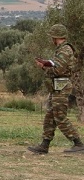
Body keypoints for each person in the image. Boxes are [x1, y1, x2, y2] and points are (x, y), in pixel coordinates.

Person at [27, 24, 84, 154]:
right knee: (50, 116)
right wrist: (47, 63)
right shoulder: (61, 50)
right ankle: (44, 145)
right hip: (57, 87)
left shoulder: (65, 50)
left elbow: (58, 70)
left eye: (52, 36)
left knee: (59, 116)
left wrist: (43, 67)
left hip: (61, 87)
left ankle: (78, 143)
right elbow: (58, 65)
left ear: (56, 36)